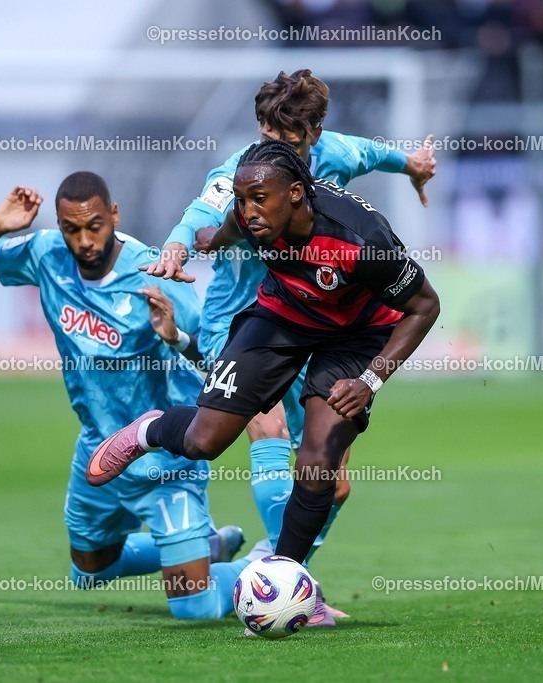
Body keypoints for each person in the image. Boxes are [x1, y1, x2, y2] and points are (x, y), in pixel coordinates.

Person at [142, 69, 436, 623]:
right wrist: (177, 248)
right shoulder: (242, 170)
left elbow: (377, 154)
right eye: (267, 133)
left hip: (323, 324)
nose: (276, 148)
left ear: (316, 134)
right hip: (246, 319)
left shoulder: (336, 156)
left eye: (291, 140)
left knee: (331, 481)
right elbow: (200, 216)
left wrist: (415, 167)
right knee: (268, 428)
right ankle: (284, 583)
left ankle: (274, 573)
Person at [86, 140, 440, 577]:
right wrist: (201, 244)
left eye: (258, 199)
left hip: (356, 335)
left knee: (318, 465)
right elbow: (219, 233)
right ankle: (149, 429)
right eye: (241, 200)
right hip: (282, 316)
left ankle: (284, 577)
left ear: (295, 193)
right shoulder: (248, 218)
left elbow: (425, 307)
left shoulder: (362, 240)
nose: (248, 210)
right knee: (204, 442)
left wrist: (370, 380)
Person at [0, 174, 245, 619]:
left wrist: (175, 337)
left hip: (164, 456)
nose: (85, 241)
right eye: (72, 229)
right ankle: (209, 544)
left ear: (114, 215)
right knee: (88, 570)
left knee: (194, 609)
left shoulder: (155, 274)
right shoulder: (47, 254)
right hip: (98, 448)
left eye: (95, 226)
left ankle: (255, 571)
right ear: (59, 225)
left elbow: (219, 364)